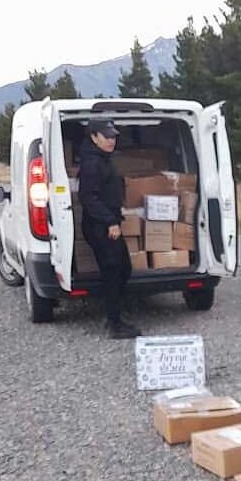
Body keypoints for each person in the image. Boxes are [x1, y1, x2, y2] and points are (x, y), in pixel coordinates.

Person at [79, 119, 141, 339]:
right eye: (106, 136)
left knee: (123, 269)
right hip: (100, 227)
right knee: (114, 271)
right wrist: (110, 221)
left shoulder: (103, 159)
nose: (111, 140)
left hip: (108, 223)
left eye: (113, 136)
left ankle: (114, 314)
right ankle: (114, 324)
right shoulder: (92, 163)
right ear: (94, 137)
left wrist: (117, 212)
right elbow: (88, 198)